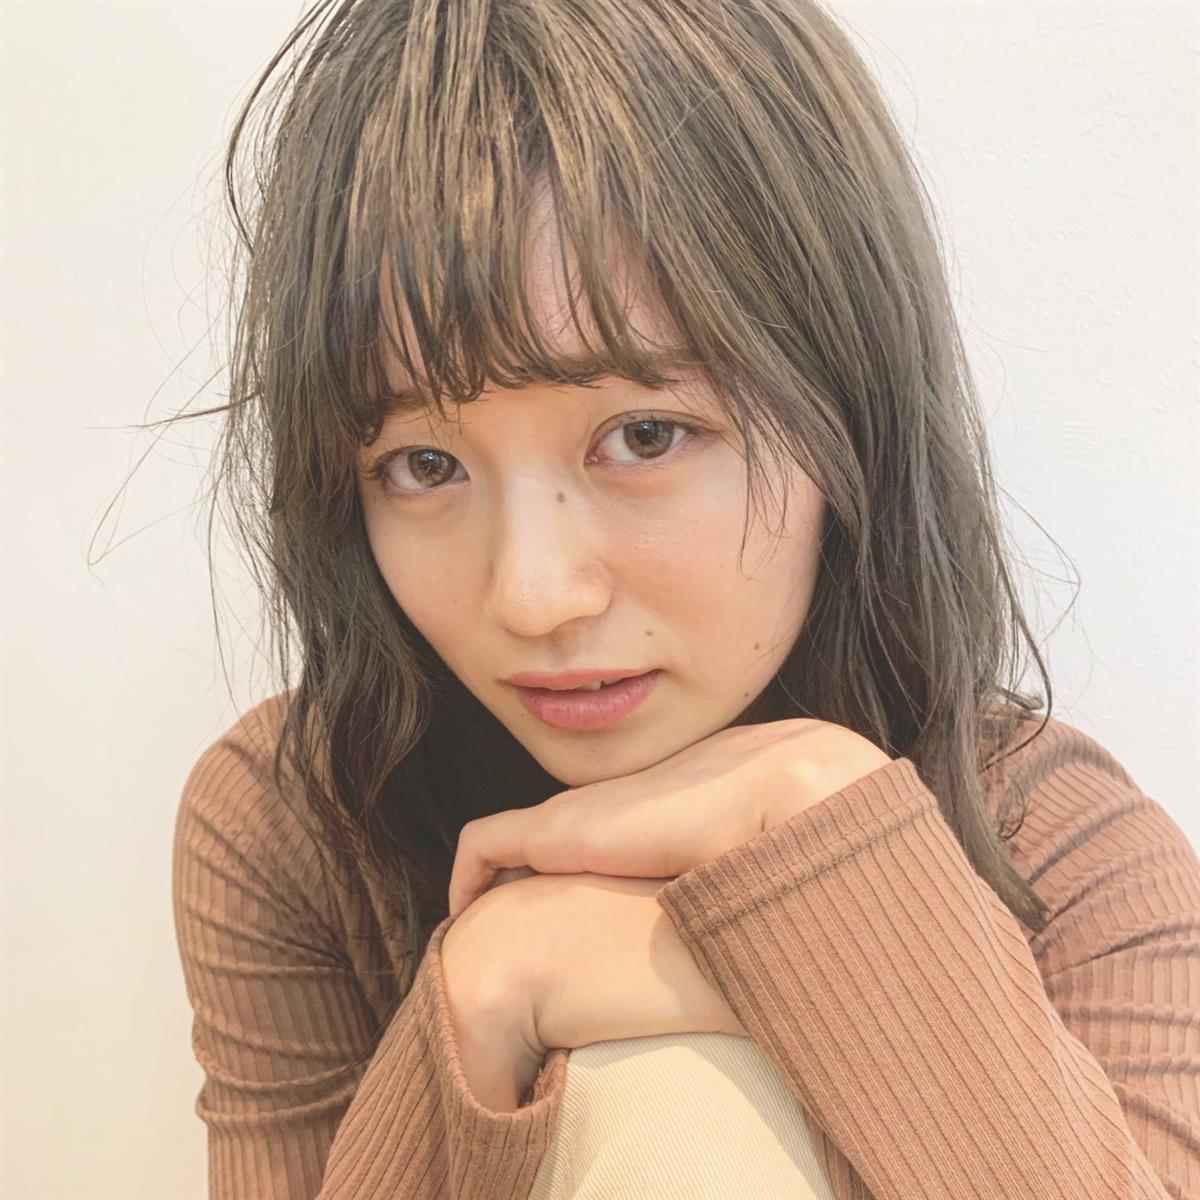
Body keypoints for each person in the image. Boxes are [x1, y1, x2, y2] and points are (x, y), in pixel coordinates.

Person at [170, 1, 1200, 1197]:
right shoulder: (300, 821)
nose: (535, 595)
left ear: (848, 412)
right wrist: (481, 993)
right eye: (425, 465)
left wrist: (831, 837)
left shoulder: (1062, 852)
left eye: (645, 435)